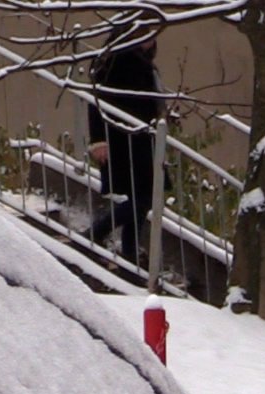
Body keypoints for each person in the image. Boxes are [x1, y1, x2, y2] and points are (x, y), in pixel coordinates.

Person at [86, 35, 163, 266]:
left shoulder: (143, 61)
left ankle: (129, 252)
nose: (152, 38)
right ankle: (97, 232)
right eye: (147, 32)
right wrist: (98, 140)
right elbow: (96, 97)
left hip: (141, 137)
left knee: (141, 197)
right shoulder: (116, 59)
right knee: (144, 198)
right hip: (122, 138)